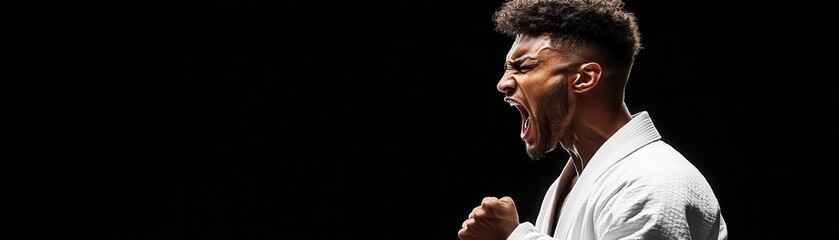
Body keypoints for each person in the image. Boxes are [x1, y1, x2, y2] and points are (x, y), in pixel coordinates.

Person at [457, 0, 728, 239]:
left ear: (585, 78)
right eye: (507, 68)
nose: (502, 83)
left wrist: (514, 237)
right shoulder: (567, 185)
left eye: (524, 67)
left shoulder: (652, 180)